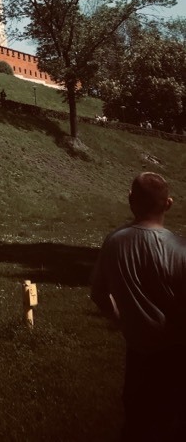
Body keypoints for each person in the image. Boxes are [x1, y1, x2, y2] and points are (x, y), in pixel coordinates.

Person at [91, 172, 186, 441]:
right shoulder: (180, 250)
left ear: (130, 200)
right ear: (168, 204)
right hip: (176, 359)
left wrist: (121, 319)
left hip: (138, 356)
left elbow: (98, 294)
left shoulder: (114, 242)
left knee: (136, 424)